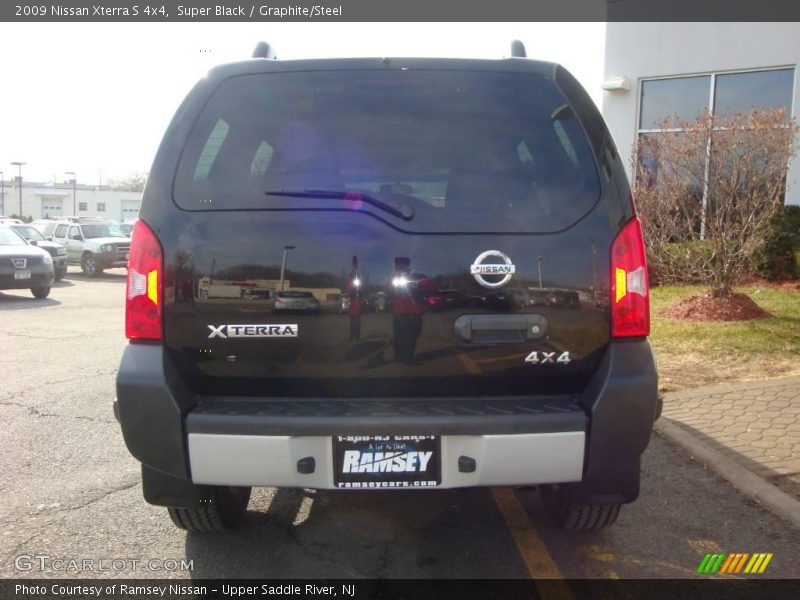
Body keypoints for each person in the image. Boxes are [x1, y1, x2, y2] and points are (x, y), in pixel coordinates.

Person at [391, 257, 437, 364]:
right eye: (397, 266)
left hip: (413, 313)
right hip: (399, 313)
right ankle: (401, 357)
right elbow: (389, 292)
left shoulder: (417, 277)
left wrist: (420, 292)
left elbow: (433, 289)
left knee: (412, 335)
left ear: (407, 266)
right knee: (399, 336)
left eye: (402, 265)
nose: (400, 268)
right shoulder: (394, 279)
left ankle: (406, 357)